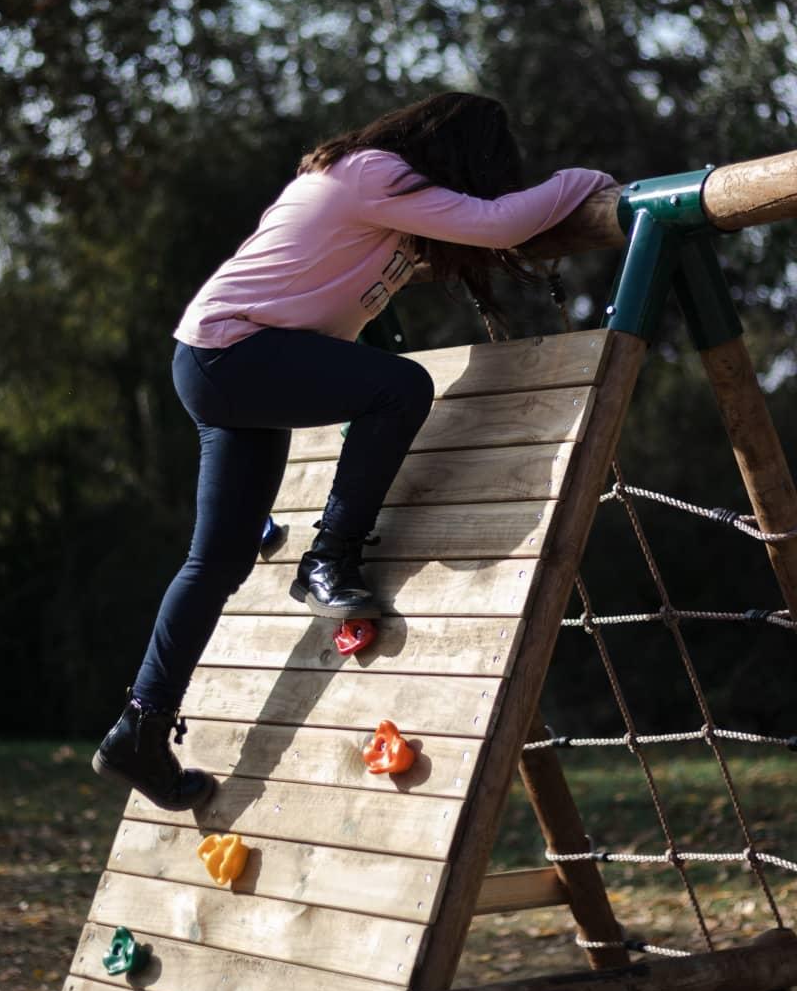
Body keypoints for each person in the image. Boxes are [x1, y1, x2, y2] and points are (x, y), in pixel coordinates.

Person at [92, 91, 615, 811]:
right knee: (399, 387)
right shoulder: (372, 174)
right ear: (456, 154)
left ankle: (139, 728)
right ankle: (329, 557)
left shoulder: (378, 192)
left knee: (216, 560)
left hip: (218, 356)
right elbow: (501, 223)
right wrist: (589, 181)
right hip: (236, 353)